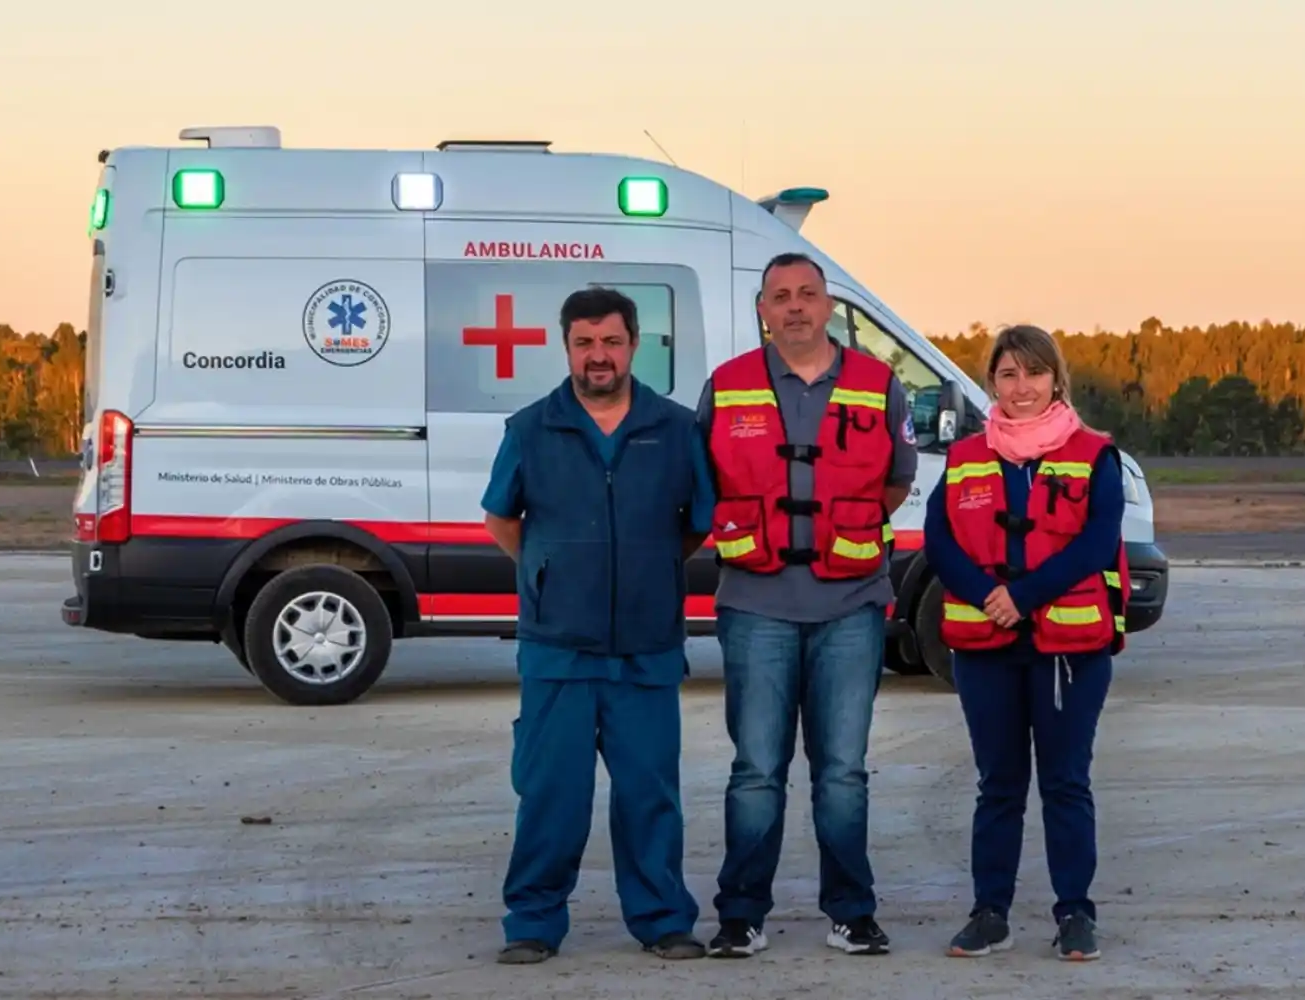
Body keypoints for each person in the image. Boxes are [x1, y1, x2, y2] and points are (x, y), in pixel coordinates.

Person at [481, 286, 715, 964]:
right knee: (552, 794)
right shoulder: (530, 429)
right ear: (567, 348)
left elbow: (695, 525)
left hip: (646, 647)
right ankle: (532, 921)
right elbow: (501, 519)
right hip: (558, 648)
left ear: (634, 344)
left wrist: (644, 571)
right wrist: (552, 570)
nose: (598, 356)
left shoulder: (674, 430)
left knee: (650, 793)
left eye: (611, 341)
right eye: (585, 343)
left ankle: (663, 919)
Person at [695, 252, 919, 958]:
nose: (795, 307)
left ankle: (852, 911)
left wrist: (838, 534)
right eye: (780, 297)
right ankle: (741, 914)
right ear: (762, 310)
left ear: (829, 308)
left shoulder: (882, 387)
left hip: (850, 605)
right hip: (755, 605)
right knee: (756, 770)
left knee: (843, 771)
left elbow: (895, 481)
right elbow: (701, 481)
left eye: (808, 295)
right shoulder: (726, 388)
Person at [922, 324, 1128, 963]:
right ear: (991, 385)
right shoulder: (965, 458)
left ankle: (1074, 913)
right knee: (999, 785)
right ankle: (991, 913)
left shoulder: (1095, 454)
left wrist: (1026, 594)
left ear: (1055, 379)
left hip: (1068, 651)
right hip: (988, 646)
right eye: (1007, 375)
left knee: (1065, 783)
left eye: (1033, 374)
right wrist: (990, 596)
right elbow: (941, 538)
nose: (1021, 388)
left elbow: (1098, 541)